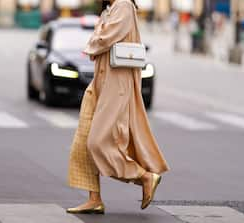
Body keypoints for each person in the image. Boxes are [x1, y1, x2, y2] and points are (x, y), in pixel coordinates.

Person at [66, 0, 169, 214]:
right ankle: (94, 198)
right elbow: (102, 35)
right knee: (83, 141)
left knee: (98, 143)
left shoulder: (124, 5)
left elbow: (106, 36)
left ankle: (144, 177)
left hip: (116, 84)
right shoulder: (110, 9)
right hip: (99, 83)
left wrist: (92, 44)